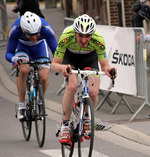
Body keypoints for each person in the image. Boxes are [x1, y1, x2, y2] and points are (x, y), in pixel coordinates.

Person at [51, 14, 117, 144]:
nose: (84, 40)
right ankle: (65, 124)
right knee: (72, 87)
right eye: (80, 35)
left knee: (93, 92)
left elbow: (104, 65)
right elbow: (54, 65)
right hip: (70, 59)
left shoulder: (98, 39)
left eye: (88, 36)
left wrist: (108, 70)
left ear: (92, 35)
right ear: (75, 32)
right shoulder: (66, 36)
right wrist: (63, 67)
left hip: (89, 58)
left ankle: (86, 116)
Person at [5, 11, 57, 120]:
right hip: (22, 46)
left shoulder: (45, 28)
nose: (34, 38)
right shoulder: (16, 29)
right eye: (30, 35)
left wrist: (58, 64)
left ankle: (39, 102)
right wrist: (14, 59)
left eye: (37, 34)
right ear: (23, 30)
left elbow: (57, 52)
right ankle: (21, 106)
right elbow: (8, 54)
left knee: (43, 77)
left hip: (40, 47)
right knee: (23, 70)